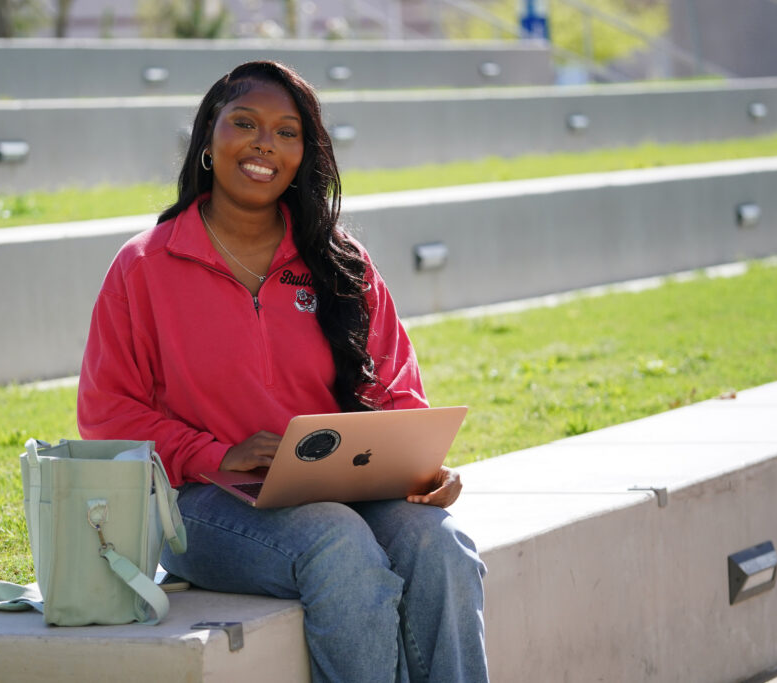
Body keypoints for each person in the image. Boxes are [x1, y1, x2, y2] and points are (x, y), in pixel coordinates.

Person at [77, 61, 488, 683]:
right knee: (337, 545)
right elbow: (107, 416)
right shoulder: (145, 266)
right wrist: (215, 453)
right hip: (204, 504)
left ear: (305, 154)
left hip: (344, 490)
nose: (265, 142)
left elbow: (394, 389)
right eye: (244, 123)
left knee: (442, 543)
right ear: (208, 140)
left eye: (287, 132)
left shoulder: (340, 262)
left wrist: (421, 466)